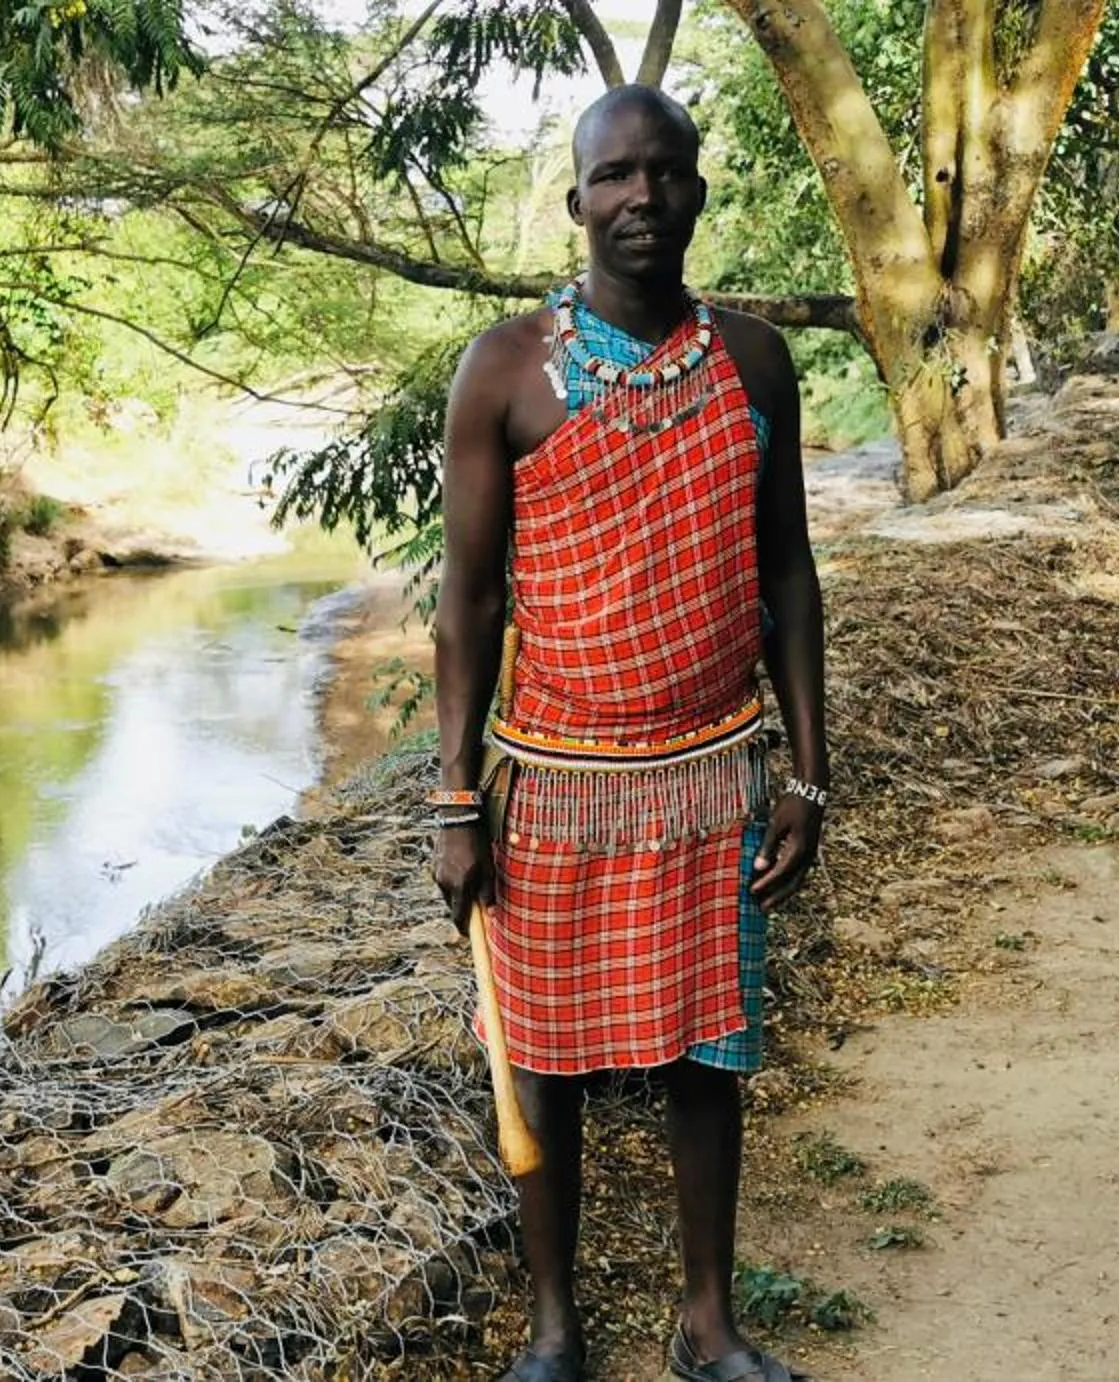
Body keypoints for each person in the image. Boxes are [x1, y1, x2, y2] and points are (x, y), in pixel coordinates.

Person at [427, 84, 828, 1382]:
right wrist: (454, 799)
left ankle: (709, 1322)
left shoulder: (753, 362)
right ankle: (556, 1330)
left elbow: (787, 575)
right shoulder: (505, 371)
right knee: (543, 1060)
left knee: (708, 1055)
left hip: (713, 772)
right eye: (614, 175)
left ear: (699, 190)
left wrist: (809, 777)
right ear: (576, 201)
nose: (640, 197)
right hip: (552, 785)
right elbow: (469, 602)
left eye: (664, 171)